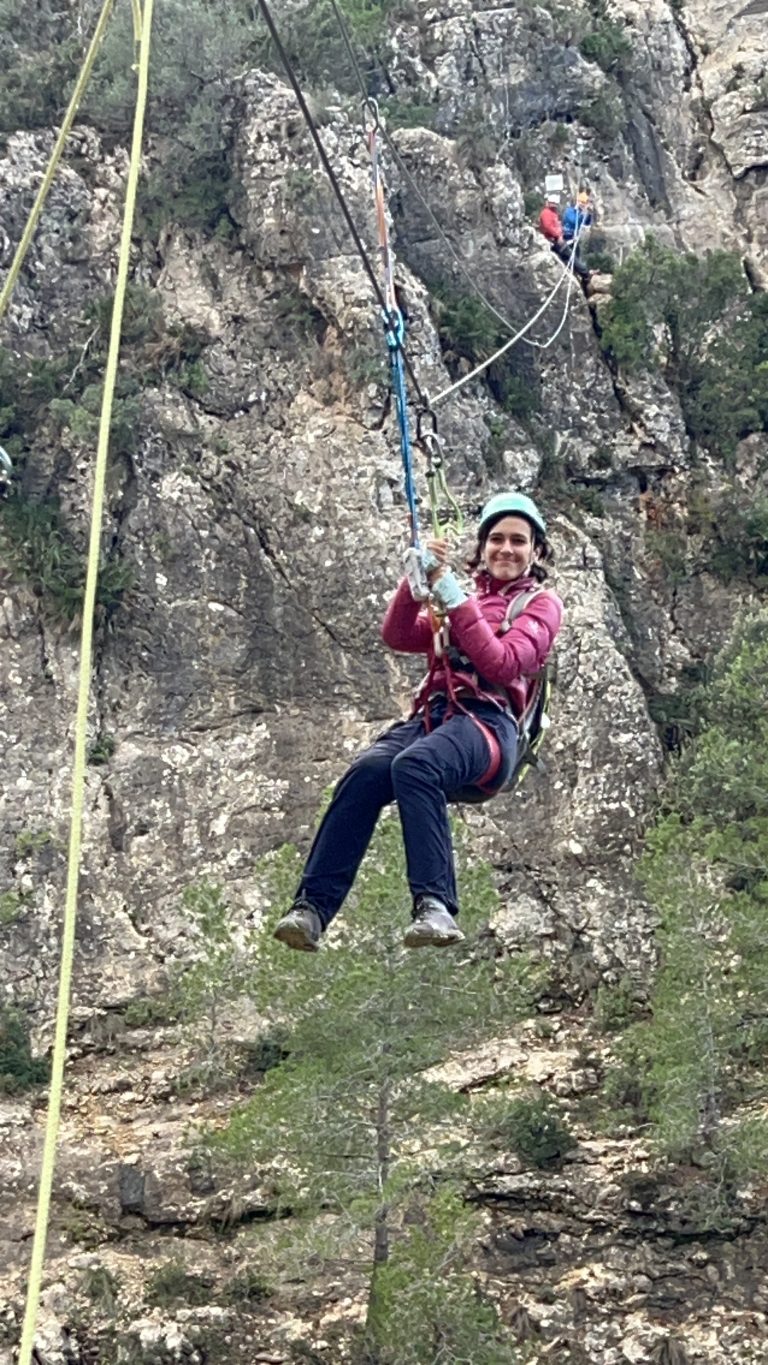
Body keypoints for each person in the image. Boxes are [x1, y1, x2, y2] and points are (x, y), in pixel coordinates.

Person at [272, 493, 563, 953]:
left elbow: (504, 664)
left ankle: (435, 905)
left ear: (536, 551)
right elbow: (399, 635)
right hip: (436, 716)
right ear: (483, 546)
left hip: (489, 726)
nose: (507, 549)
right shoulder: (462, 598)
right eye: (497, 540)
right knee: (366, 772)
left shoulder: (540, 605)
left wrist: (449, 593)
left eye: (519, 541)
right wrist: (415, 582)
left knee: (415, 766)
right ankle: (311, 908)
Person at [538, 192, 590, 283]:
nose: (554, 205)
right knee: (570, 256)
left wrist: (586, 214)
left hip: (569, 239)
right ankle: (585, 272)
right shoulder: (566, 211)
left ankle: (581, 274)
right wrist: (559, 235)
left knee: (574, 257)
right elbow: (549, 227)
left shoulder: (553, 213)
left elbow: (586, 223)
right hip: (560, 239)